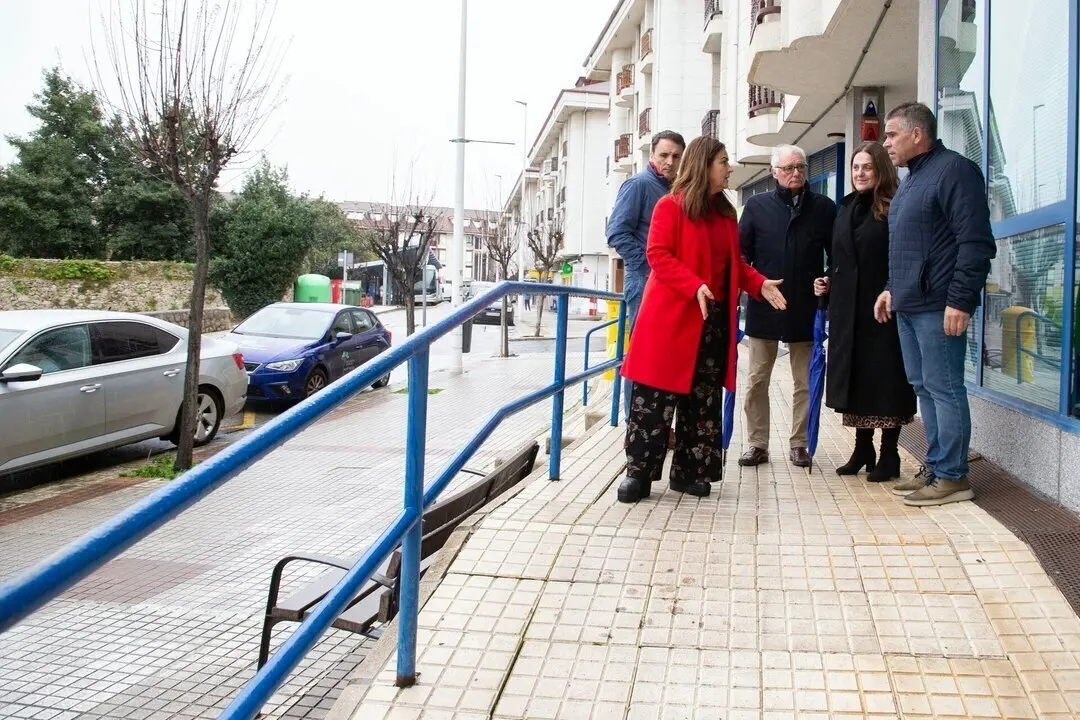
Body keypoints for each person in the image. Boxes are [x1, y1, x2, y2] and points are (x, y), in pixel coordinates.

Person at [617, 137, 787, 503]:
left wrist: (758, 283)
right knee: (654, 400)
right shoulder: (669, 206)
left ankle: (690, 473)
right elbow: (657, 254)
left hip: (711, 324)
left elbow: (734, 265)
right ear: (704, 165)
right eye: (724, 161)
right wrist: (693, 285)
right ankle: (639, 475)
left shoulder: (726, 215)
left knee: (701, 401)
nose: (730, 168)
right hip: (670, 321)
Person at [876, 102, 996, 506]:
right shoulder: (910, 180)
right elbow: (907, 245)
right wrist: (891, 287)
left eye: (892, 135)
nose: (886, 142)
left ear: (916, 134)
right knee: (924, 386)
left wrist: (960, 300)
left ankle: (954, 477)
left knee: (945, 389)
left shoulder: (955, 171)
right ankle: (936, 467)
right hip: (910, 305)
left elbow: (975, 243)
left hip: (940, 304)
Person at [814, 142, 916, 481]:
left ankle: (889, 455)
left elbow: (904, 256)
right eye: (856, 167)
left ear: (881, 170)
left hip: (883, 311)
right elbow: (842, 258)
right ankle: (862, 448)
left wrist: (891, 289)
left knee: (885, 381)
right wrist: (827, 281)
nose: (859, 173)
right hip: (848, 311)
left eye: (867, 167)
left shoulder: (895, 206)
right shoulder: (845, 207)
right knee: (856, 379)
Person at [738, 144, 835, 469]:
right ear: (774, 172)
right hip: (764, 304)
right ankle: (757, 444)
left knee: (804, 381)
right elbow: (740, 256)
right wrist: (755, 285)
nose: (796, 173)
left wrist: (826, 281)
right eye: (789, 168)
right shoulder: (756, 206)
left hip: (804, 307)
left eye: (801, 168)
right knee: (756, 380)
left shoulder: (823, 208)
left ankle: (800, 443)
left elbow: (835, 259)